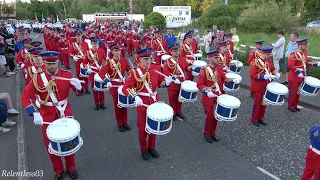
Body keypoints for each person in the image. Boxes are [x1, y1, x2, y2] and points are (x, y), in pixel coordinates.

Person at [21, 51, 84, 180]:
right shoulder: (38, 79)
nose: (52, 67)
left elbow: (78, 93)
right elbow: (25, 98)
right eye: (49, 64)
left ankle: (71, 167)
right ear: (44, 63)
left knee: (68, 141)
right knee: (50, 145)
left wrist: (79, 87)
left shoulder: (66, 75)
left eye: (54, 63)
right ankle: (58, 170)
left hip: (65, 113)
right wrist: (34, 112)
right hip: (47, 116)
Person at [122, 48, 173, 160]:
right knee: (142, 128)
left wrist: (167, 83)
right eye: (145, 59)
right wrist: (134, 96)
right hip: (142, 102)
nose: (148, 61)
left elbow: (160, 83)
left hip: (154, 100)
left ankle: (151, 147)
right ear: (139, 59)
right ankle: (143, 149)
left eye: (149, 58)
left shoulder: (155, 68)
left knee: (154, 125)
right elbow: (127, 87)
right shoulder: (135, 72)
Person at [197, 50, 238, 143]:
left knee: (217, 115)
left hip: (218, 95)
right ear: (210, 58)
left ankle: (213, 133)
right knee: (210, 115)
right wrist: (206, 92)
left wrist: (232, 80)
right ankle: (207, 133)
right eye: (215, 58)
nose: (218, 59)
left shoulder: (220, 68)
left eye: (218, 57)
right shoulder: (204, 70)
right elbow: (199, 85)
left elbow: (224, 78)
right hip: (208, 96)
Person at [96, 42, 132, 132]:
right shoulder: (109, 62)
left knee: (125, 104)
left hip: (123, 85)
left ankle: (125, 122)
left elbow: (129, 70)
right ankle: (120, 123)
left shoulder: (124, 60)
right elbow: (101, 73)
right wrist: (106, 81)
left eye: (119, 50)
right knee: (118, 106)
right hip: (114, 86)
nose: (118, 52)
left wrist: (133, 73)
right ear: (112, 51)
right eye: (116, 50)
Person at [249, 46, 280, 127]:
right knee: (257, 103)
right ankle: (255, 119)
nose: (269, 56)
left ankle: (261, 118)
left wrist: (275, 73)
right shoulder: (255, 62)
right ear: (263, 53)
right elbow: (252, 75)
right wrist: (263, 76)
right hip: (258, 86)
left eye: (269, 54)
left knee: (264, 102)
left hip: (267, 85)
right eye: (268, 54)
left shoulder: (268, 60)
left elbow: (272, 68)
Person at [287, 39, 320, 112]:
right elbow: (290, 65)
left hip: (302, 76)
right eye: (305, 45)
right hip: (294, 77)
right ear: (300, 45)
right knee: (293, 92)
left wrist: (316, 64)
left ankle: (295, 105)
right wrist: (298, 72)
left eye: (306, 45)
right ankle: (290, 106)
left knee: (298, 92)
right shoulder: (294, 54)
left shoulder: (305, 53)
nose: (306, 46)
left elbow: (306, 63)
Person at [163, 43, 191, 121]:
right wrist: (173, 78)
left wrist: (192, 67)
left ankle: (178, 112)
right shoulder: (168, 61)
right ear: (171, 52)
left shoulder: (183, 59)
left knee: (180, 99)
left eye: (177, 51)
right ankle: (173, 113)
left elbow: (186, 68)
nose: (176, 52)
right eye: (174, 51)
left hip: (182, 83)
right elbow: (166, 72)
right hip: (173, 83)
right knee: (172, 99)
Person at [83, 36, 107, 110]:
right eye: (94, 43)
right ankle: (97, 103)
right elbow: (84, 63)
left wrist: (108, 58)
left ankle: (102, 103)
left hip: (100, 71)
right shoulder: (88, 52)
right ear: (91, 43)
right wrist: (87, 69)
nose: (95, 45)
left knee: (102, 88)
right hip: (92, 72)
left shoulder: (101, 51)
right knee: (95, 88)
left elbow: (106, 59)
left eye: (96, 43)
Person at [69, 29, 90, 94]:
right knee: (79, 75)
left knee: (86, 75)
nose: (78, 37)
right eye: (77, 36)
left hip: (85, 61)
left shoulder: (85, 44)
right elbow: (69, 53)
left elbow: (89, 52)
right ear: (75, 36)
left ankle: (86, 89)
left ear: (82, 36)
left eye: (80, 36)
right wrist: (73, 57)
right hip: (78, 61)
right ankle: (81, 88)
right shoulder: (73, 44)